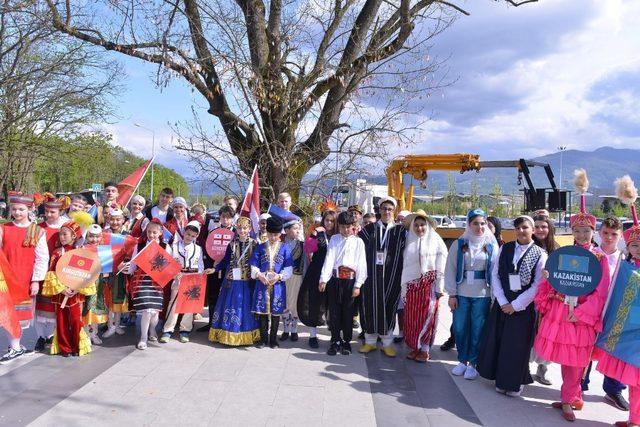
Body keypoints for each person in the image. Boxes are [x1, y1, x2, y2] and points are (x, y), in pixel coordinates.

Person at [533, 169, 611, 422]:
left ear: (593, 232)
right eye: (577, 231)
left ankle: (570, 398)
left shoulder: (599, 258)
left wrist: (582, 313)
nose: (581, 235)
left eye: (586, 231)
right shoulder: (564, 253)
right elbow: (558, 281)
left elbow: (600, 292)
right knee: (568, 359)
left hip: (582, 317)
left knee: (578, 359)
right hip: (562, 312)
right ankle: (571, 397)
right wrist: (549, 282)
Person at [477, 215, 547, 397]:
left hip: (522, 309)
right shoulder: (505, 248)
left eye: (525, 227)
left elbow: (537, 286)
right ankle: (499, 380)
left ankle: (514, 383)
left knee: (516, 347)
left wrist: (515, 305)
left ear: (532, 230)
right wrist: (502, 301)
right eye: (518, 228)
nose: (521, 231)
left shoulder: (540, 254)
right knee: (499, 342)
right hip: (502, 305)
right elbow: (495, 275)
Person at [594, 175, 640, 427]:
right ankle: (634, 419)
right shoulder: (627, 265)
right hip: (627, 330)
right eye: (634, 244)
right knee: (634, 381)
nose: (637, 248)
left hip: (637, 331)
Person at [445, 209, 498, 378]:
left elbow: (495, 272)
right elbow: (450, 269)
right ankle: (462, 360)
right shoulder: (459, 244)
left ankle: (473, 363)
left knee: (478, 329)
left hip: (482, 294)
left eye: (482, 223)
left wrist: (494, 297)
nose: (479, 227)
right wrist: (452, 294)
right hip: (461, 293)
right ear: (469, 224)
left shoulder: (491, 245)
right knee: (460, 327)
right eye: (475, 223)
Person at [0, 192, 48, 364]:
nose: (17, 213)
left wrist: (36, 280)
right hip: (5, 280)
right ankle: (15, 346)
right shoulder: (4, 228)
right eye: (14, 209)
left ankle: (16, 347)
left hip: (25, 279)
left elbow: (42, 258)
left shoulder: (37, 231)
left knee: (20, 315)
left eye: (21, 209)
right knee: (6, 313)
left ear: (30, 209)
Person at [358, 196, 405, 357]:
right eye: (384, 209)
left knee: (389, 308)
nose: (386, 212)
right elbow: (357, 248)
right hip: (370, 277)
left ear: (394, 211)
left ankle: (387, 343)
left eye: (390, 209)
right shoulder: (369, 229)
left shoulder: (399, 231)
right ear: (379, 210)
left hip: (392, 277)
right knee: (369, 307)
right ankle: (370, 342)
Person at [42, 220, 96, 356]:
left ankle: (77, 346)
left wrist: (77, 288)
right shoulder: (57, 253)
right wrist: (61, 289)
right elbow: (51, 272)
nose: (62, 237)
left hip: (76, 294)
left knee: (76, 319)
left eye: (65, 234)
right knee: (61, 320)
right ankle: (65, 348)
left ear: (73, 236)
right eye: (60, 234)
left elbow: (85, 274)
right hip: (61, 293)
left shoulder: (79, 252)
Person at [402, 210, 448, 363]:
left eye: (422, 225)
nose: (419, 228)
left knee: (428, 317)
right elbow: (406, 266)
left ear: (427, 226)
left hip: (429, 286)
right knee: (413, 319)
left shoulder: (436, 241)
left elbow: (441, 266)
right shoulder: (410, 241)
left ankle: (425, 350)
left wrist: (439, 288)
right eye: (416, 225)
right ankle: (416, 347)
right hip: (413, 288)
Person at [319, 211, 367, 355]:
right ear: (338, 226)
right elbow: (329, 259)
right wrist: (323, 279)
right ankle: (335, 340)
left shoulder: (358, 242)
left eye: (348, 227)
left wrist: (358, 284)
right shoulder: (334, 239)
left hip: (350, 282)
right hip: (335, 280)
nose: (345, 230)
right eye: (342, 227)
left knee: (348, 312)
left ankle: (346, 341)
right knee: (334, 312)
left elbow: (361, 264)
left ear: (353, 226)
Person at [209, 217, 259, 346]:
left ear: (249, 229)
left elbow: (257, 262)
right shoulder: (231, 244)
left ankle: (246, 334)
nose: (242, 230)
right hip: (231, 281)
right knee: (230, 305)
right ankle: (227, 333)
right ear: (236, 228)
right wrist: (215, 269)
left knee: (244, 306)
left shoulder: (254, 244)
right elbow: (225, 261)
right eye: (239, 228)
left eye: (245, 228)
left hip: (247, 281)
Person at [123, 219, 172, 350]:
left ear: (160, 233)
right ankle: (143, 338)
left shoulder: (166, 247)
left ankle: (152, 330)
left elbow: (168, 268)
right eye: (149, 232)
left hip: (156, 283)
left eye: (154, 232)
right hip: (142, 282)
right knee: (147, 310)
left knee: (155, 312)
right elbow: (133, 265)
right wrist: (124, 267)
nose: (151, 235)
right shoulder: (139, 246)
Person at [34, 193, 71, 352]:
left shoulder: (67, 227)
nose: (49, 215)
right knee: (42, 306)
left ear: (60, 211)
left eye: (52, 212)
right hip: (43, 271)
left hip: (60, 272)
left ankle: (55, 334)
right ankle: (41, 336)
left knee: (56, 306)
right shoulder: (38, 228)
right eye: (47, 211)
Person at [161, 221, 207, 343]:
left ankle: (185, 330)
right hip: (178, 278)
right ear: (184, 233)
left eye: (193, 236)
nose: (189, 237)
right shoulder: (174, 247)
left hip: (192, 280)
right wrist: (174, 273)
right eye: (188, 234)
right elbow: (167, 263)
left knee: (189, 305)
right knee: (174, 304)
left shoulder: (198, 249)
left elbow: (200, 265)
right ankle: (168, 330)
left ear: (196, 236)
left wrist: (200, 274)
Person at [250, 217, 293, 348]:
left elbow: (288, 268)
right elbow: (253, 265)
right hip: (262, 284)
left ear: (280, 234)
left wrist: (279, 276)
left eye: (276, 235)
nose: (273, 237)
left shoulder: (285, 248)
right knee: (263, 313)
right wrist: (258, 275)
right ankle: (263, 339)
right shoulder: (260, 247)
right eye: (270, 234)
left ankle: (273, 339)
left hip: (278, 285)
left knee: (275, 314)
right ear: (266, 233)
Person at [298, 205, 337, 348]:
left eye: (332, 221)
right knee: (314, 303)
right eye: (327, 220)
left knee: (333, 305)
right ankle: (313, 335)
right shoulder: (319, 234)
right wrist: (314, 233)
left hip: (333, 275)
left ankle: (334, 334)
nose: (329, 223)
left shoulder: (338, 236)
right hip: (316, 273)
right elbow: (308, 249)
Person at [531, 214, 560, 386]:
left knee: (545, 334)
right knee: (528, 333)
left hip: (548, 300)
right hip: (529, 298)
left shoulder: (555, 249)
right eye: (537, 226)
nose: (541, 230)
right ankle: (523, 368)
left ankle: (542, 370)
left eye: (544, 226)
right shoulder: (527, 246)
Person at [198, 204, 236, 332]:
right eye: (223, 217)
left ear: (232, 218)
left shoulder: (236, 234)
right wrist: (212, 262)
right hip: (214, 268)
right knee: (213, 295)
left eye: (228, 217)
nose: (225, 220)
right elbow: (208, 248)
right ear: (219, 217)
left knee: (228, 296)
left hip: (229, 270)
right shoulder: (213, 232)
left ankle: (224, 324)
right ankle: (211, 323)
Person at [102, 209, 131, 339]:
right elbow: (103, 254)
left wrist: (125, 264)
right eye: (113, 219)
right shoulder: (105, 235)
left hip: (121, 274)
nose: (115, 222)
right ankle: (110, 325)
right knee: (108, 300)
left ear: (123, 220)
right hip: (108, 272)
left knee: (119, 300)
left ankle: (117, 325)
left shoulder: (127, 236)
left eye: (118, 219)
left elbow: (130, 255)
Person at [81, 224, 109, 345]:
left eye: (97, 237)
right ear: (87, 236)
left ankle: (94, 333)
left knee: (96, 308)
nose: (94, 240)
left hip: (99, 283)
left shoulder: (104, 250)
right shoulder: (82, 248)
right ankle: (86, 334)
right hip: (85, 283)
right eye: (91, 236)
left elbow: (107, 267)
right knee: (86, 309)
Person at [281, 219, 303, 342]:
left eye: (298, 228)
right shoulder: (280, 244)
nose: (297, 231)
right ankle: (285, 330)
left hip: (296, 276)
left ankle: (294, 330)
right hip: (282, 277)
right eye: (295, 228)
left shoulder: (302, 244)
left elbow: (305, 262)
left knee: (294, 303)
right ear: (287, 230)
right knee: (284, 303)